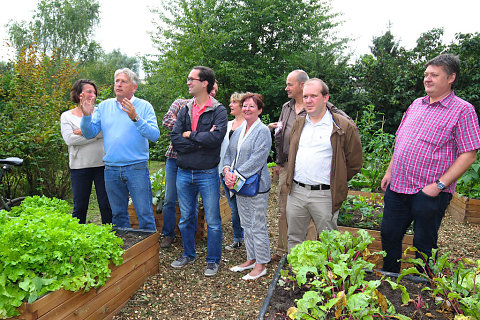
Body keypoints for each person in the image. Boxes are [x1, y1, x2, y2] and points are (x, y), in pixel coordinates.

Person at [380, 54, 480, 273]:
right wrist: (389, 171)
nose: (428, 79)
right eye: (426, 74)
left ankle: (423, 288)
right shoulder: (416, 105)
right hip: (398, 187)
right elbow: (401, 142)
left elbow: (469, 155)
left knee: (424, 245)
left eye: (434, 75)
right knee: (389, 235)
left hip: (429, 192)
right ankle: (389, 281)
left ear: (451, 77)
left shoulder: (463, 110)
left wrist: (438, 186)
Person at [268, 70, 350, 260]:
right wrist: (280, 162)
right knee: (289, 221)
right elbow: (282, 136)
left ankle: (317, 265)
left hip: (320, 183)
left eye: (313, 96)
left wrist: (337, 175)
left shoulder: (333, 118)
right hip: (292, 176)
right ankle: (288, 261)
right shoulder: (292, 113)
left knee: (321, 229)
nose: (286, 88)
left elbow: (352, 158)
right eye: (306, 97)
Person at [285, 78, 362, 251]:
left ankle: (328, 277)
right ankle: (295, 275)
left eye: (313, 96)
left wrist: (337, 179)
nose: (308, 101)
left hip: (325, 195)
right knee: (295, 239)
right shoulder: (299, 123)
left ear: (325, 98)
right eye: (305, 96)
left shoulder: (343, 126)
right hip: (296, 193)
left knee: (330, 244)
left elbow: (355, 163)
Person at [80, 68, 160, 231]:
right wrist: (87, 116)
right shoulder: (104, 106)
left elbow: (154, 135)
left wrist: (135, 118)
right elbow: (89, 133)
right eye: (116, 81)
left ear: (134, 87)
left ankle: (148, 254)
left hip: (136, 167)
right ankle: (124, 253)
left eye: (124, 81)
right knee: (118, 215)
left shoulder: (144, 106)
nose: (119, 84)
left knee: (144, 214)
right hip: (112, 169)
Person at [170, 66, 228, 277]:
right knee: (186, 217)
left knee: (212, 221)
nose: (188, 82)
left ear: (204, 83)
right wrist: (199, 140)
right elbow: (176, 139)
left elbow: (216, 139)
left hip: (207, 173)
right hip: (184, 171)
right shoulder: (185, 108)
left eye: (191, 79)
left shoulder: (219, 110)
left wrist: (190, 135)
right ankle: (188, 253)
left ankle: (212, 260)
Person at [161, 85, 219, 248]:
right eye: (211, 88)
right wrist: (196, 132)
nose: (213, 92)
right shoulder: (181, 104)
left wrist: (188, 133)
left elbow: (213, 136)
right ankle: (168, 234)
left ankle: (190, 236)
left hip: (195, 160)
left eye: (215, 90)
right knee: (169, 199)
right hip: (174, 158)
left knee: (192, 202)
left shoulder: (213, 110)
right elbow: (166, 120)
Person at [223, 93, 272, 280]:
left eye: (252, 106)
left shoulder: (262, 131)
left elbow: (258, 159)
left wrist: (235, 175)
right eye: (244, 106)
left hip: (255, 186)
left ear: (259, 110)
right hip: (238, 185)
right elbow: (228, 154)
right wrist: (227, 171)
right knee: (246, 223)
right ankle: (251, 258)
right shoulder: (238, 130)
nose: (247, 109)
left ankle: (262, 264)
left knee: (257, 224)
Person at [60, 79, 112, 224]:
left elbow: (106, 133)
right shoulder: (67, 116)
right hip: (80, 166)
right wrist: (95, 135)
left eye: (94, 92)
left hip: (102, 164)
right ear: (78, 94)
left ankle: (110, 237)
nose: (93, 95)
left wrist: (83, 132)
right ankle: (77, 240)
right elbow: (70, 140)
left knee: (106, 205)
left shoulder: (100, 113)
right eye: (89, 91)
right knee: (80, 206)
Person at [219, 92, 246, 251]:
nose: (230, 105)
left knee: (243, 207)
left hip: (240, 175)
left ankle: (246, 237)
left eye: (234, 102)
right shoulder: (228, 124)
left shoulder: (247, 125)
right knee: (234, 208)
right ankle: (238, 238)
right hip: (225, 172)